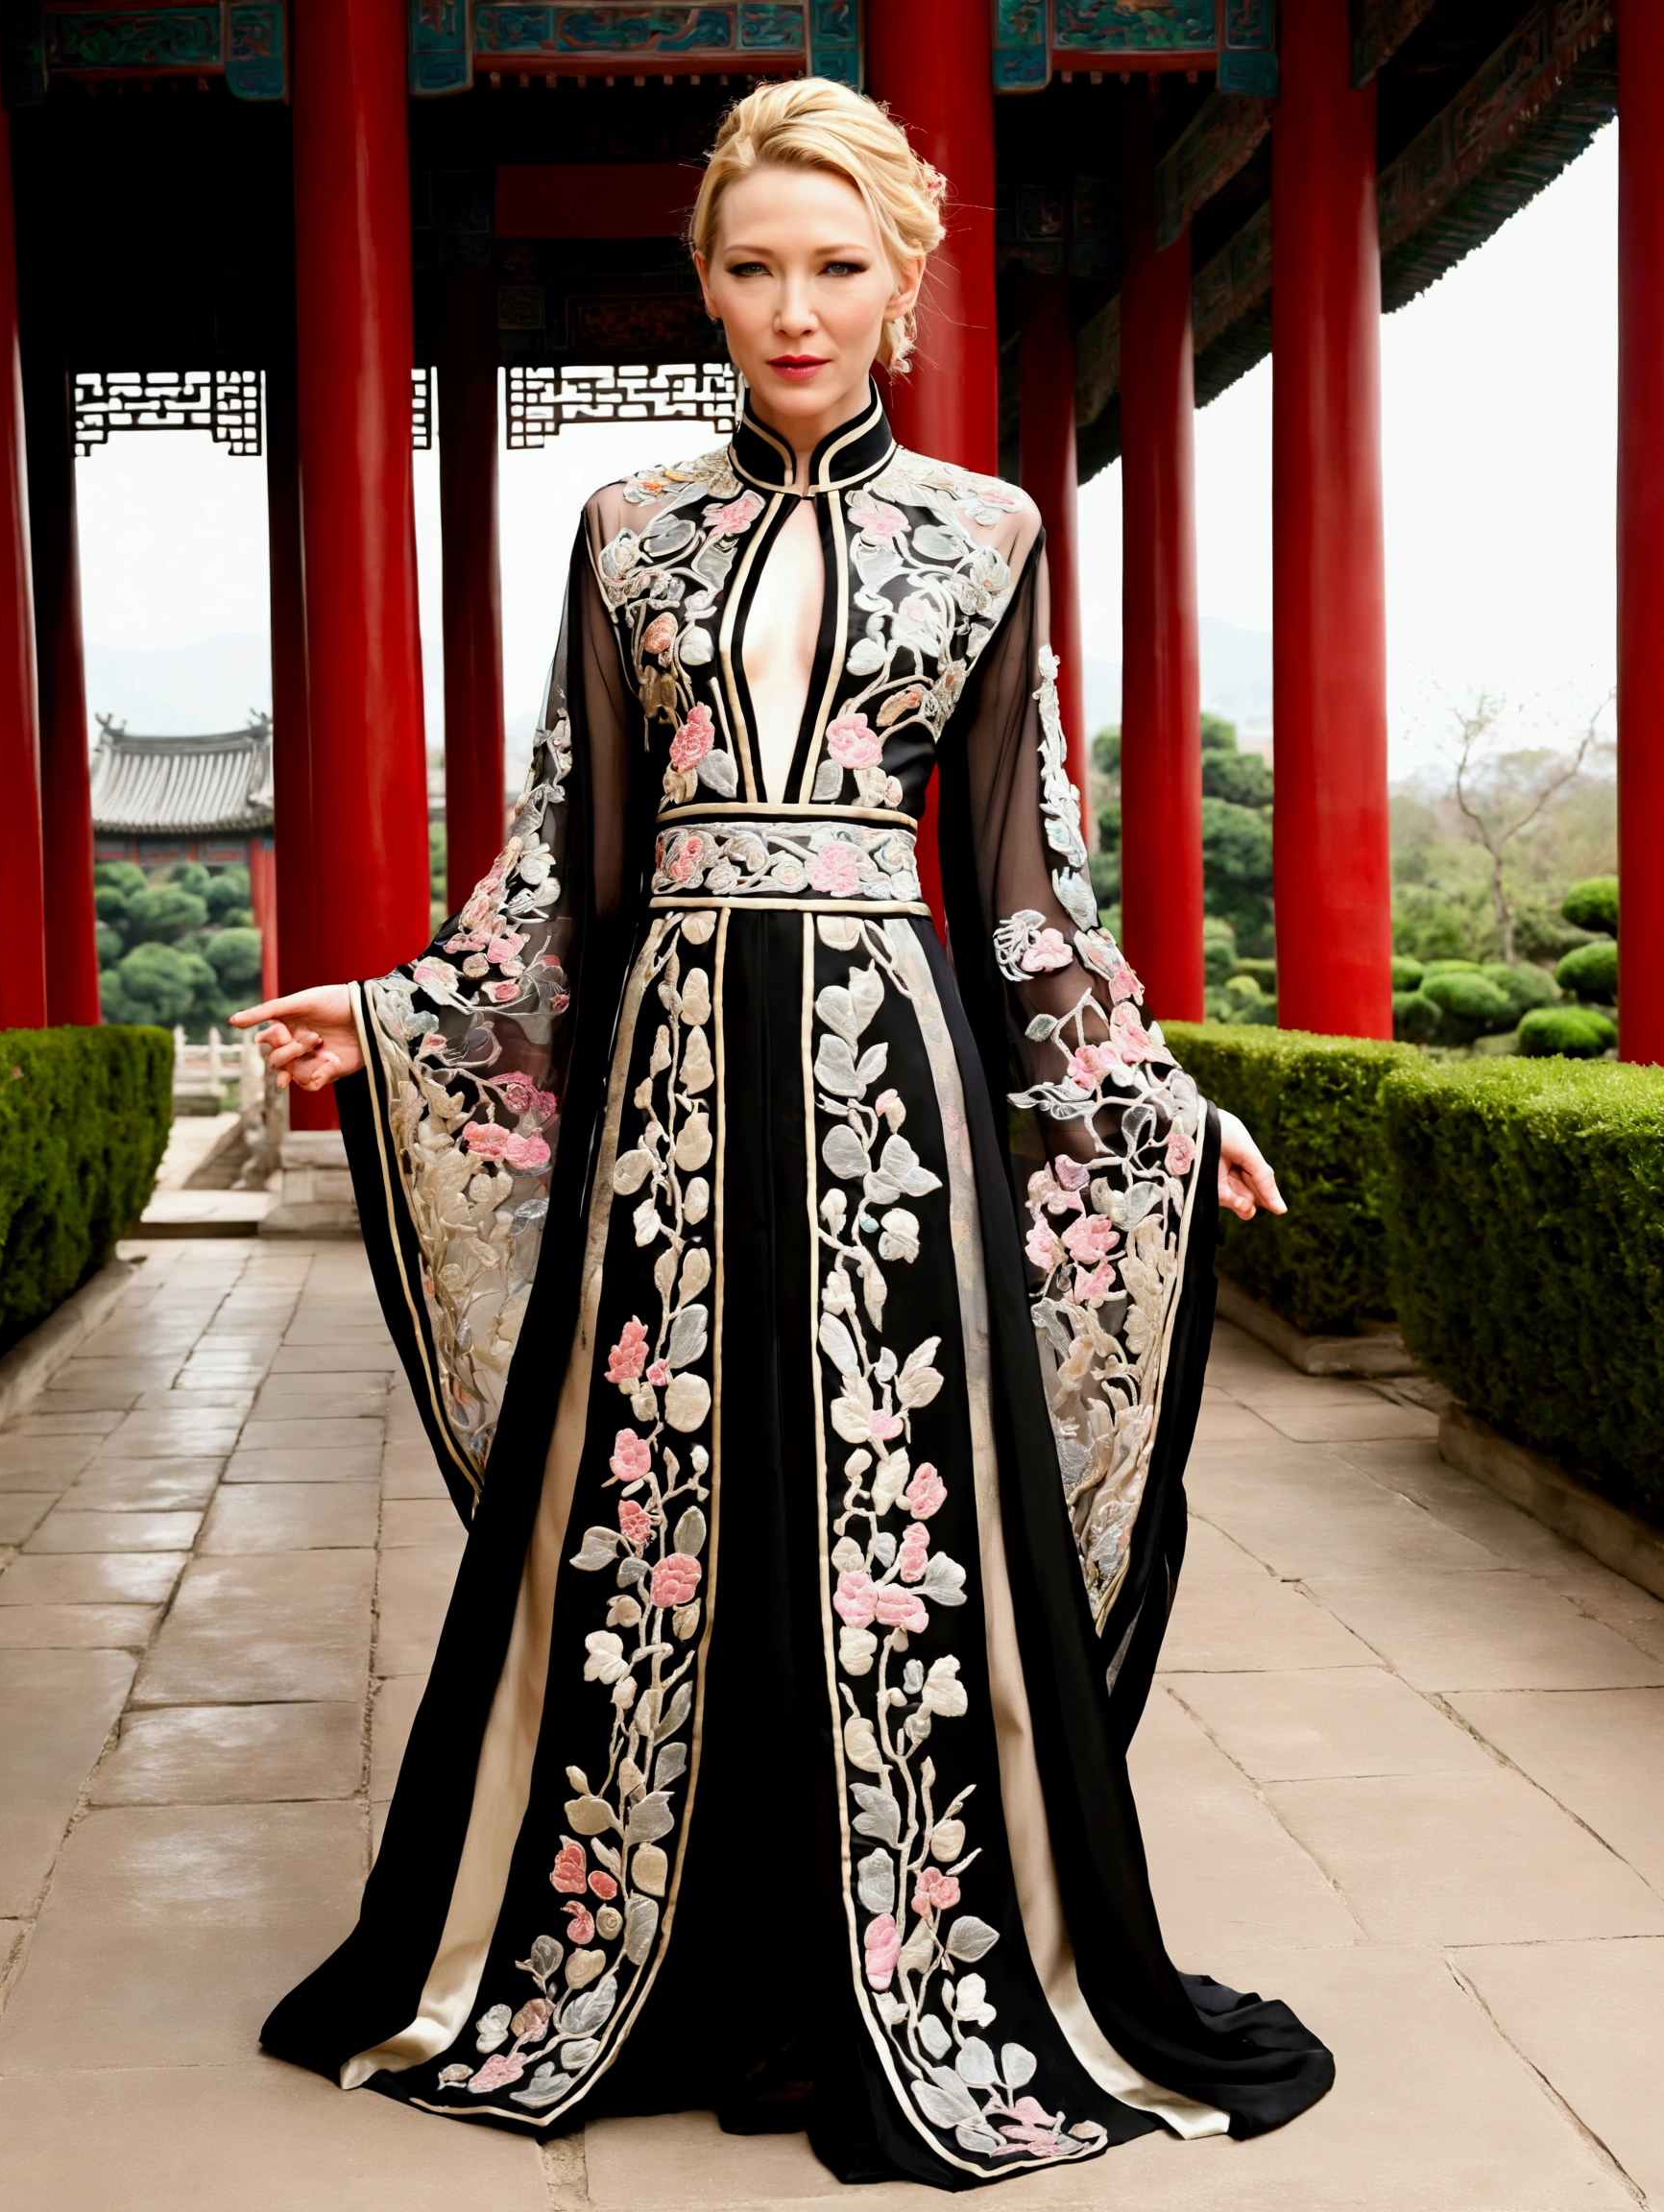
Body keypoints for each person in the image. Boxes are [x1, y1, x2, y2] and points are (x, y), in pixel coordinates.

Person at [235, 77, 1331, 2190]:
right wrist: (399, 1016)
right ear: (706, 284)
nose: (793, 307)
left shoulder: (989, 533)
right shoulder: (627, 531)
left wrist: (1137, 1096)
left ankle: (909, 1970)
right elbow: (562, 850)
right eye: (752, 268)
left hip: (885, 1080)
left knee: (886, 1507)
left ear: (902, 278)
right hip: (663, 1073)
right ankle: (634, 1952)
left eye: (835, 266)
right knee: (659, 1508)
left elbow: (1022, 884)